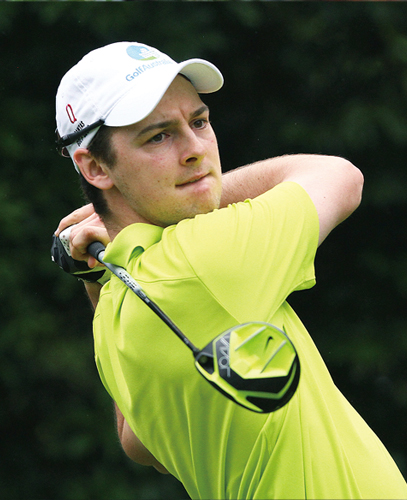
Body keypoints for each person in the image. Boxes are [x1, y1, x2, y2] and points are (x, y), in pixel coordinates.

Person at [53, 41, 407, 499]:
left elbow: (140, 444)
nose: (195, 150)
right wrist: (211, 189)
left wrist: (96, 277)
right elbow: (340, 176)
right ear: (96, 167)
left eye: (199, 122)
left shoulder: (114, 310)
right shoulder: (200, 258)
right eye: (158, 136)